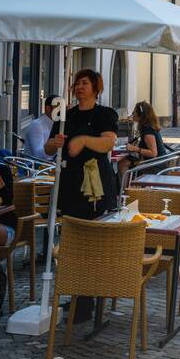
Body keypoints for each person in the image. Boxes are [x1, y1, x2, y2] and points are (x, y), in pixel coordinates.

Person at [56, 68, 119, 322]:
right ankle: (78, 294)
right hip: (70, 181)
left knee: (92, 239)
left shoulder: (105, 114)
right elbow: (49, 146)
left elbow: (108, 143)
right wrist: (56, 143)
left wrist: (82, 140)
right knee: (72, 239)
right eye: (76, 83)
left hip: (95, 184)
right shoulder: (66, 115)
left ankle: (89, 297)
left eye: (84, 83)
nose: (79, 86)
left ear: (95, 87)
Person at [115, 101, 168, 181]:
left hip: (155, 166)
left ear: (141, 115)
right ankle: (126, 188)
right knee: (123, 162)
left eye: (134, 112)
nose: (133, 113)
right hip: (155, 162)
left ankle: (126, 189)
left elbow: (153, 153)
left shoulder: (147, 129)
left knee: (122, 164)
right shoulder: (147, 126)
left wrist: (135, 149)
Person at [21, 96, 63, 163]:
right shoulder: (37, 125)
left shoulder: (58, 124)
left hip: (51, 165)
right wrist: (54, 145)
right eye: (58, 108)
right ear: (48, 109)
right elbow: (38, 155)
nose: (62, 111)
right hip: (36, 169)